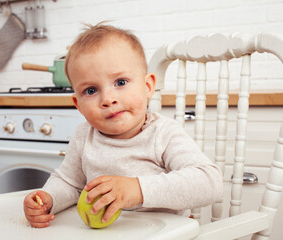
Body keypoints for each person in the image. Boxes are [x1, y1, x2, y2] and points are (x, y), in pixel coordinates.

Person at [23, 23, 223, 228]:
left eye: (120, 82)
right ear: (79, 105)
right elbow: (69, 183)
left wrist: (137, 189)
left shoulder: (163, 133)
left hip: (164, 233)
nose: (108, 99)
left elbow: (210, 182)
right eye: (91, 90)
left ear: (147, 87)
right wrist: (48, 199)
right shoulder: (84, 136)